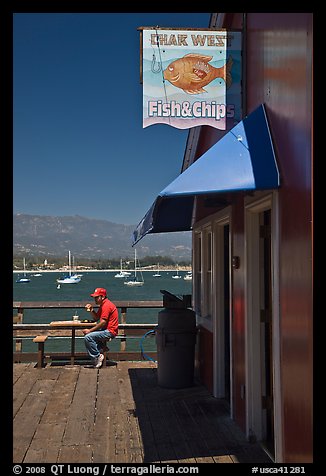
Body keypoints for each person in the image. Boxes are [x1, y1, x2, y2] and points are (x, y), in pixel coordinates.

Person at [83, 287, 119, 368]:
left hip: (109, 331)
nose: (95, 299)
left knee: (88, 337)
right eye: (94, 298)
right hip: (106, 330)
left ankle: (97, 356)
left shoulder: (106, 306)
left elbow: (103, 322)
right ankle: (102, 348)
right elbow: (96, 318)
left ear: (102, 297)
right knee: (90, 335)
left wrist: (90, 330)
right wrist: (92, 310)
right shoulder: (103, 305)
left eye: (97, 297)